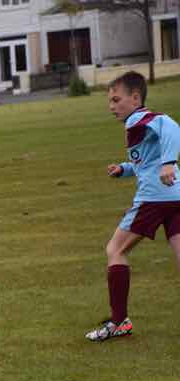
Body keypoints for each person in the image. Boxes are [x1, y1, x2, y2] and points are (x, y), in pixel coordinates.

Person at [85, 71, 180, 342]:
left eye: (116, 100)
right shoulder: (138, 123)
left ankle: (119, 322)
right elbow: (147, 161)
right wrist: (124, 169)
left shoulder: (138, 118)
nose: (111, 106)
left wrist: (169, 162)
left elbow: (171, 126)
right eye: (110, 101)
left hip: (154, 199)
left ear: (135, 98)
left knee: (115, 250)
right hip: (176, 195)